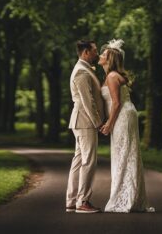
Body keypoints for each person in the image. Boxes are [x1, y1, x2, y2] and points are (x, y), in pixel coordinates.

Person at [98, 39, 154, 213]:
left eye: (104, 54)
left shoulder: (112, 76)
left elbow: (116, 103)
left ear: (110, 60)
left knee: (123, 154)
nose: (100, 56)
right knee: (125, 153)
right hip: (126, 114)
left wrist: (108, 124)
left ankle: (124, 198)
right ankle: (131, 196)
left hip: (122, 115)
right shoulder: (111, 75)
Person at [65, 39, 106, 213]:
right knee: (89, 161)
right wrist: (98, 122)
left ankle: (72, 200)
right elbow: (87, 101)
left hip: (82, 121)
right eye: (95, 50)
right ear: (86, 52)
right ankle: (83, 202)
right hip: (85, 121)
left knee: (79, 161)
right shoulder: (81, 71)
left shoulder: (84, 69)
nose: (97, 53)